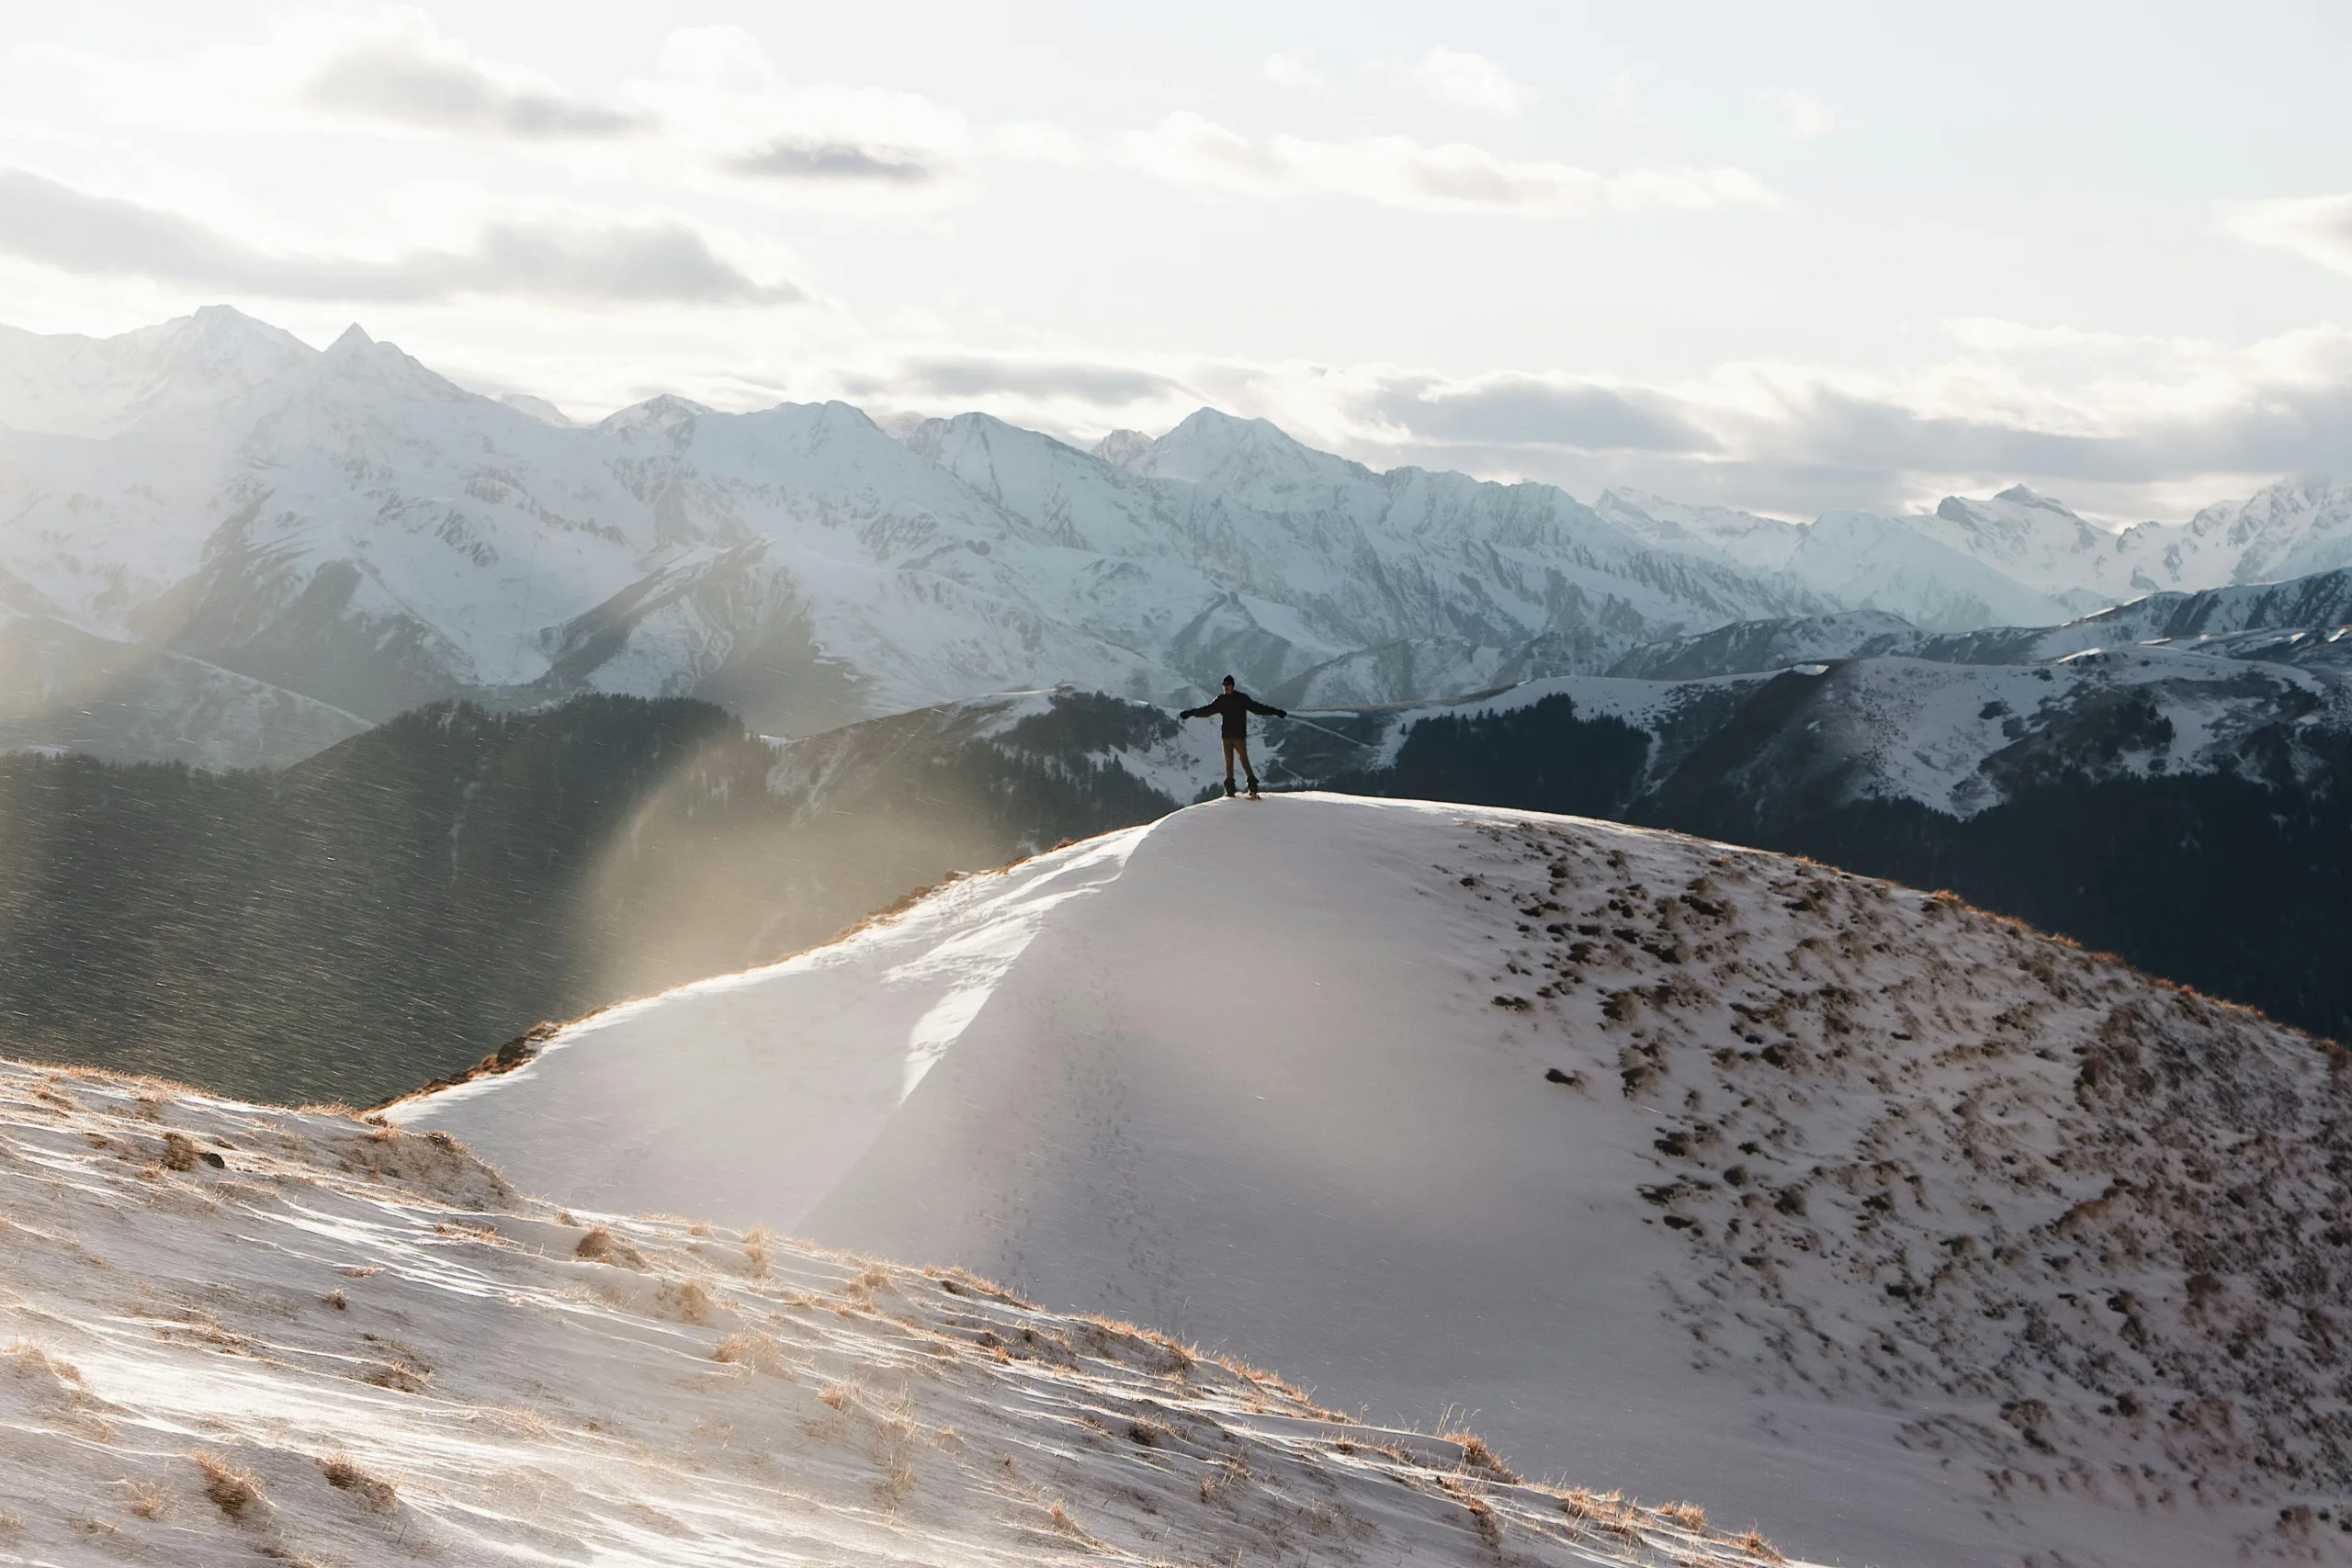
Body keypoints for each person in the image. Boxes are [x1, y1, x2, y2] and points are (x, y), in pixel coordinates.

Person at [1181, 675, 1287, 797]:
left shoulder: (1241, 699)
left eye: (1228, 684)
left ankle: (1252, 787)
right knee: (1229, 762)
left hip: (1238, 736)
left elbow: (1258, 708)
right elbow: (1207, 710)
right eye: (1224, 685)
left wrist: (1275, 711)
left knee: (1243, 760)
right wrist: (1191, 713)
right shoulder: (1221, 700)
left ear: (1233, 685)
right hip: (1226, 736)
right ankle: (1230, 790)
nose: (1226, 687)